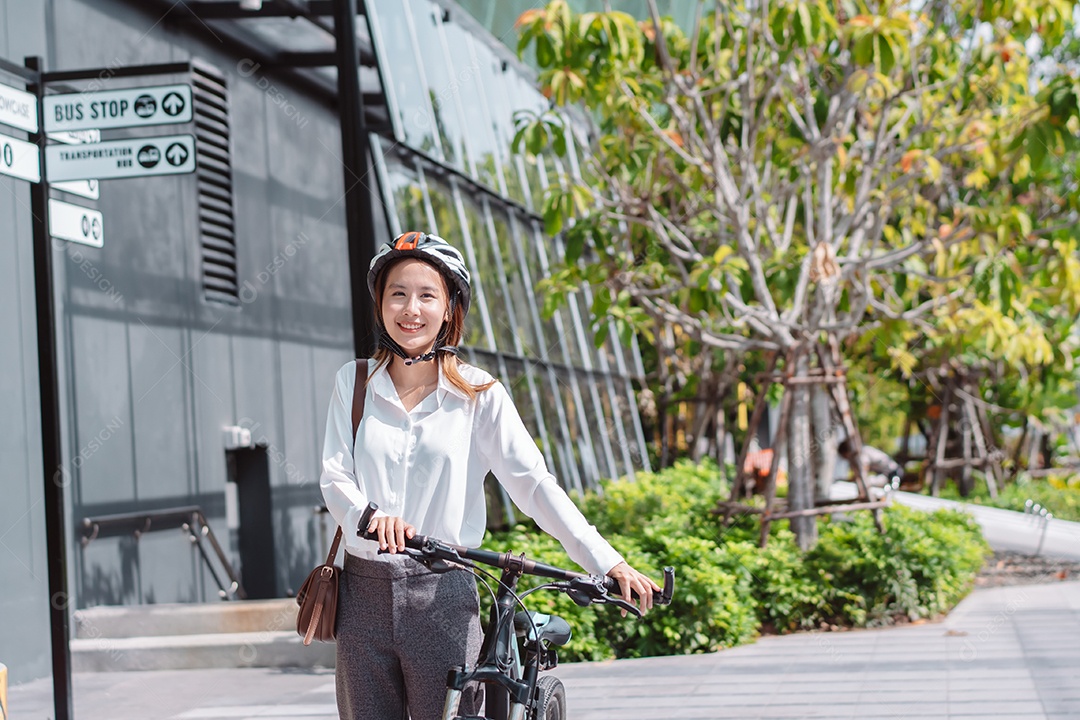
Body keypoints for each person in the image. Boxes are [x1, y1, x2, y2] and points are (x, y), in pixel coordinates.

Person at [320, 231, 660, 720]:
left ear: (449, 308)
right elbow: (334, 476)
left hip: (442, 596)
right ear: (380, 303)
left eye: (426, 295)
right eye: (397, 293)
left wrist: (607, 562)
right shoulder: (353, 383)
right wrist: (370, 516)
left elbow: (535, 486)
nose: (410, 309)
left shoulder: (478, 393)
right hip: (363, 596)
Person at [837, 439, 903, 489]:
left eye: (844, 456)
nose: (845, 458)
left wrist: (853, 480)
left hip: (892, 473)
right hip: (886, 473)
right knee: (866, 482)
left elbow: (864, 470)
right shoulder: (861, 451)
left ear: (847, 452)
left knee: (867, 482)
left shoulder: (862, 452)